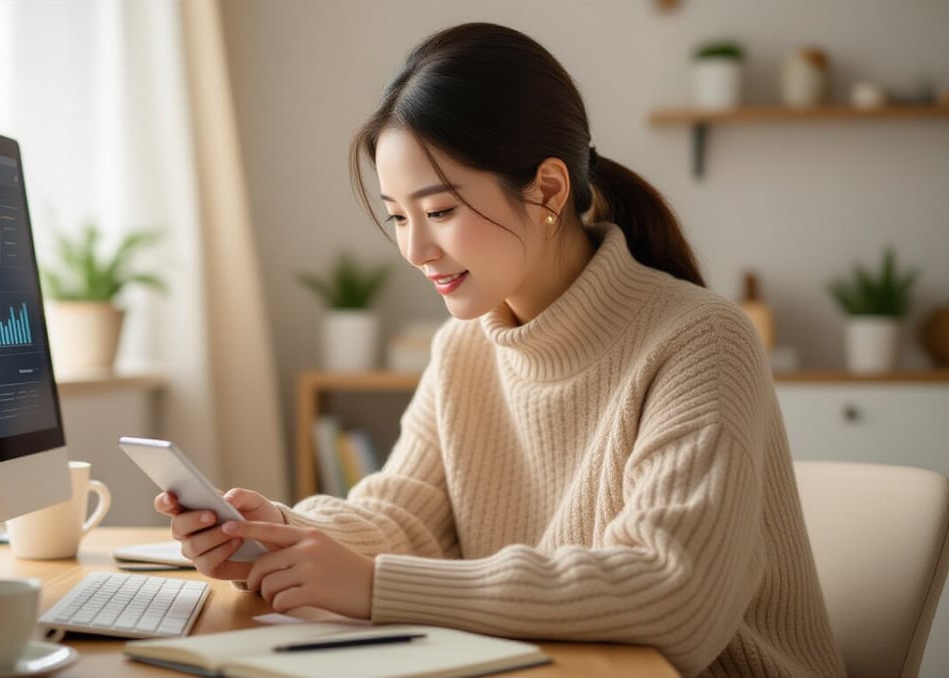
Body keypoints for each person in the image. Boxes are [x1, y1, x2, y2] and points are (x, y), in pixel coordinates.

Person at [156, 22, 844, 678]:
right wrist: (281, 533)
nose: (416, 251)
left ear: (547, 189)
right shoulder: (464, 347)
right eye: (399, 217)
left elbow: (674, 597)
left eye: (441, 211)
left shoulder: (701, 341)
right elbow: (402, 517)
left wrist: (372, 586)